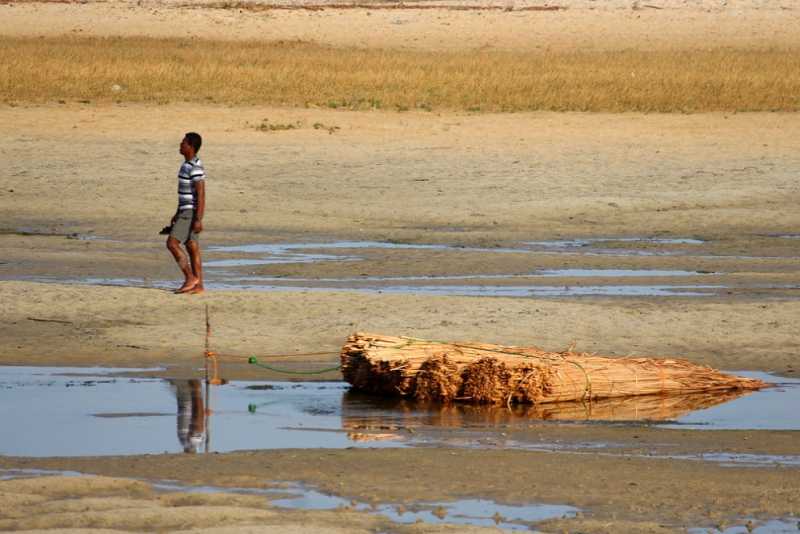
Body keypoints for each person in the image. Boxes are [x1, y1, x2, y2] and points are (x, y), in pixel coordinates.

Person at [166, 132, 206, 294]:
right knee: (191, 246)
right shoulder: (187, 164)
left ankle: (189, 277)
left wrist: (198, 219)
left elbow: (201, 193)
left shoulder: (194, 166)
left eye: (183, 143)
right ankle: (199, 285)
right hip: (185, 210)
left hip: (190, 212)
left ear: (190, 146)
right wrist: (177, 212)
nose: (180, 145)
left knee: (172, 243)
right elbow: (185, 192)